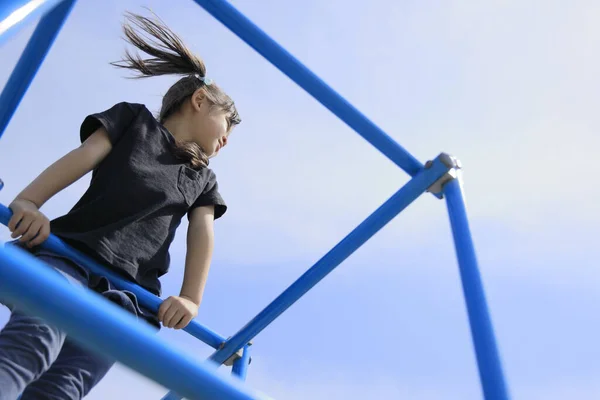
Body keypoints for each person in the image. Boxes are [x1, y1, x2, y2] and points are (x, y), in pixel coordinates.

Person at [0, 10, 240, 400]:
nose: (226, 141)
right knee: (36, 339)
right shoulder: (134, 122)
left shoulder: (202, 179)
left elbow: (202, 234)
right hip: (72, 256)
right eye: (226, 127)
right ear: (199, 100)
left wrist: (190, 298)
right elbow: (84, 155)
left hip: (131, 294)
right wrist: (29, 200)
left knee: (66, 385)